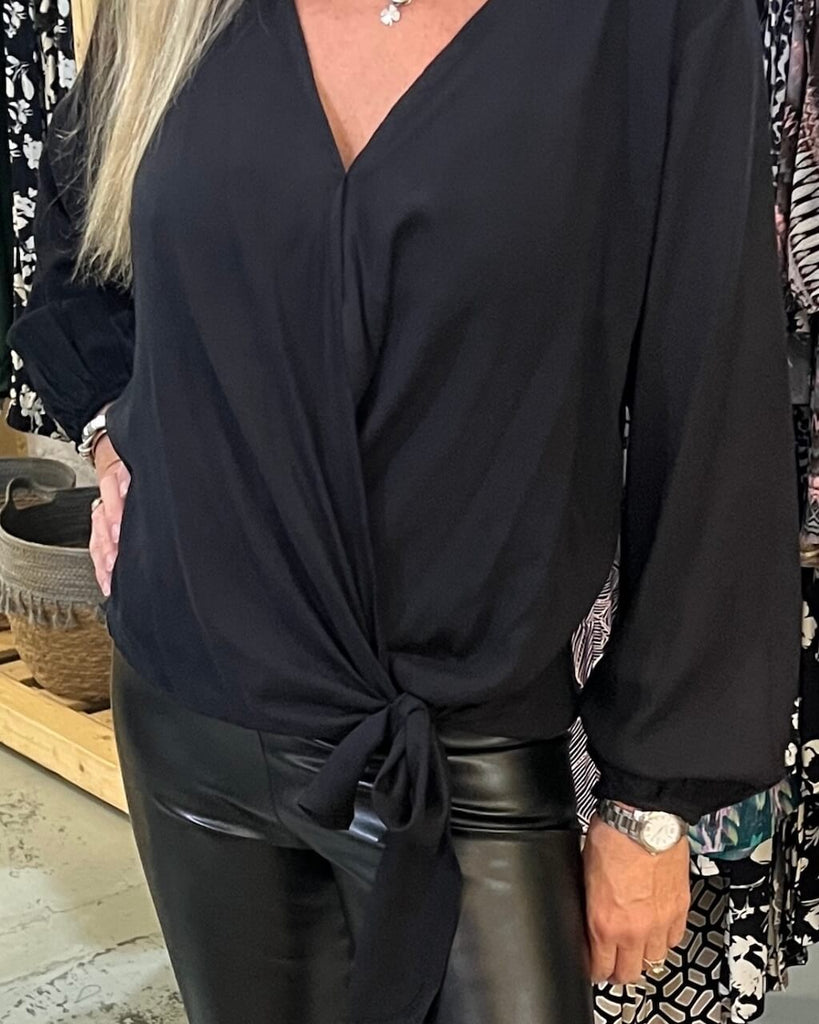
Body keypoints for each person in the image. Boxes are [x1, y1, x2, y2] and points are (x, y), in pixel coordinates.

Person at [8, 0, 802, 1022]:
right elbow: (79, 241)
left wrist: (652, 798)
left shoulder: (658, 24)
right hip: (192, 715)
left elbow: (710, 400)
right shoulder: (173, 12)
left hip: (464, 746)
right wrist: (115, 429)